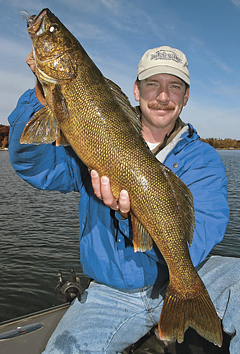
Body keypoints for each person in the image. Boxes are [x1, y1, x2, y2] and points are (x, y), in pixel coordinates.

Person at [8, 46, 240, 354]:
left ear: (185, 97)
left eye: (174, 86)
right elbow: (32, 165)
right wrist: (42, 95)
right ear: (136, 89)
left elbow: (197, 239)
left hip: (188, 273)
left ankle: (185, 306)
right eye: (152, 84)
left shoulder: (204, 160)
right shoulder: (91, 133)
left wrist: (130, 214)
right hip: (109, 293)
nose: (162, 96)